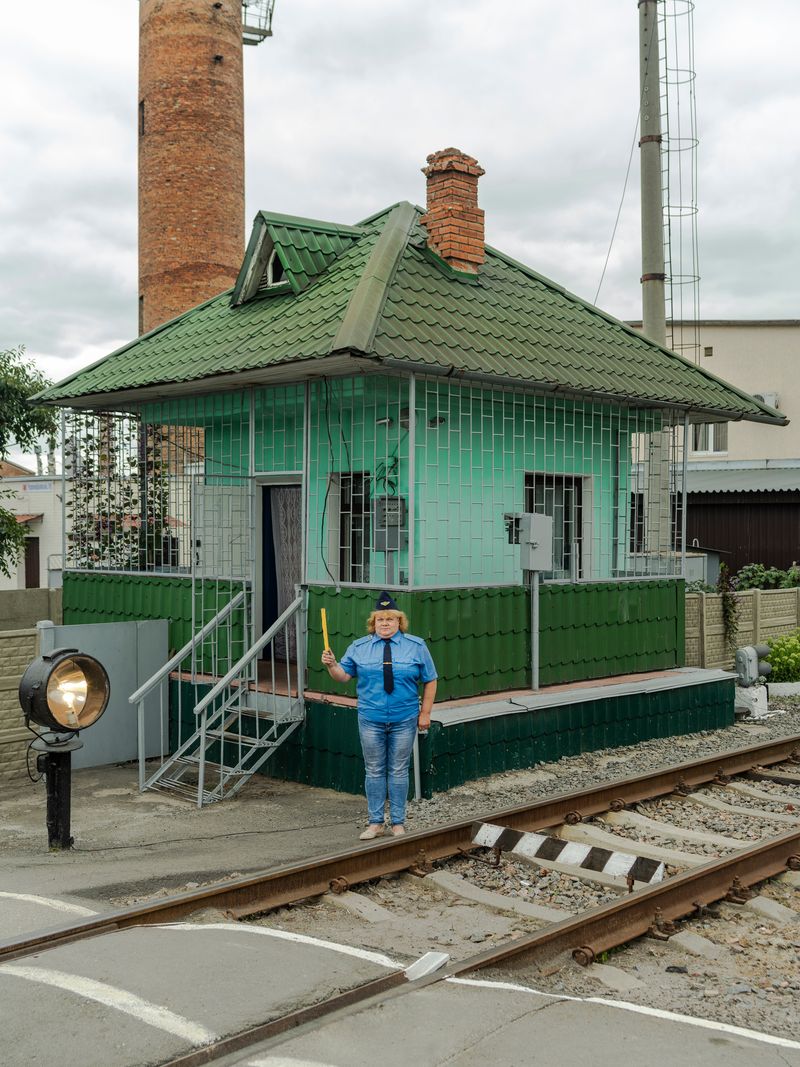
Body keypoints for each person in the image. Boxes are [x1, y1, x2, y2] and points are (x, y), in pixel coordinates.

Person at [321, 591, 437, 839]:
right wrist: (332, 665)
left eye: (390, 619)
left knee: (398, 770)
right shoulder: (359, 648)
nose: (385, 624)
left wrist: (425, 713)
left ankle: (397, 822)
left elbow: (430, 680)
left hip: (404, 718)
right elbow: (343, 676)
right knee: (374, 770)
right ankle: (375, 823)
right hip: (371, 718)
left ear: (399, 622)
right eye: (380, 620)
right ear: (373, 624)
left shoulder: (416, 647)